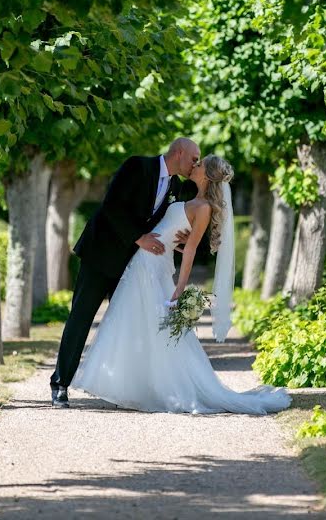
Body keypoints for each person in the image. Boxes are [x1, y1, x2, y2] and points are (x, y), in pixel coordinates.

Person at [71, 154, 291, 414]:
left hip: (153, 265)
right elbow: (177, 235)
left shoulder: (204, 208)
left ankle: (153, 388)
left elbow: (191, 250)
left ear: (207, 176)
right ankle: (135, 385)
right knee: (136, 321)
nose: (194, 166)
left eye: (199, 165)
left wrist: (181, 287)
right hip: (145, 260)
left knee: (143, 321)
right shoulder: (190, 196)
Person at [50, 138, 200, 407]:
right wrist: (138, 238)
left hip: (131, 266)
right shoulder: (137, 166)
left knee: (128, 324)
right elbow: (111, 206)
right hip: (100, 254)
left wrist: (173, 242)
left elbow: (163, 223)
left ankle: (122, 389)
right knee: (81, 318)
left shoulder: (176, 187)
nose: (195, 164)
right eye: (194, 158)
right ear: (179, 152)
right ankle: (60, 384)